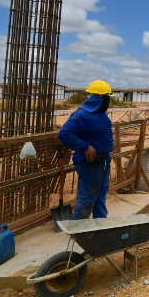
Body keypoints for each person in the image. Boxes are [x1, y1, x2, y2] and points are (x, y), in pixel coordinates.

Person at [58, 80, 115, 220]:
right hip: (90, 162)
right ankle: (79, 229)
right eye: (107, 98)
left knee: (100, 194)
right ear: (98, 98)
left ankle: (100, 224)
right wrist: (85, 147)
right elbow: (64, 133)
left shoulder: (101, 113)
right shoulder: (81, 115)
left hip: (103, 160)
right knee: (87, 196)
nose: (108, 102)